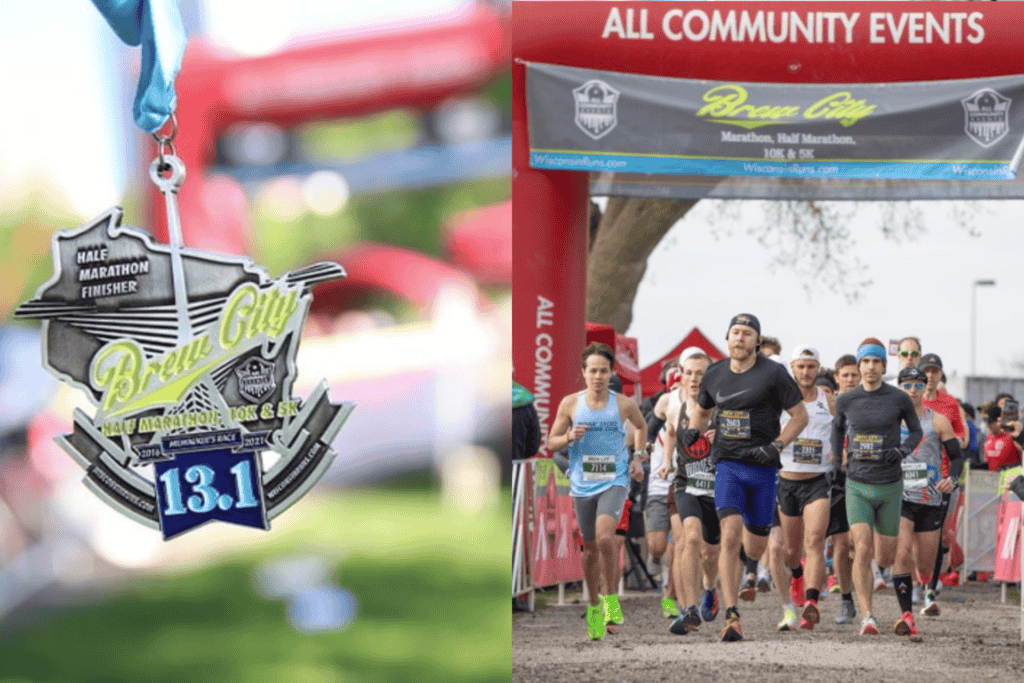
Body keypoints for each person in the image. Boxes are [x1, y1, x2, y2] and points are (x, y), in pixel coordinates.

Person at [683, 314, 808, 641]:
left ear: (756, 340)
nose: (740, 338)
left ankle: (718, 588)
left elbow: (800, 416)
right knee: (727, 536)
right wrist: (692, 432)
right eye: (735, 332)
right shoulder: (715, 373)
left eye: (747, 333)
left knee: (754, 549)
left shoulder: (774, 373)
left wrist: (777, 445)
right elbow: (702, 410)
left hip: (763, 468)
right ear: (727, 338)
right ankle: (729, 614)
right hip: (727, 465)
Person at [547, 343, 646, 640]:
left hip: (614, 481)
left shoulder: (624, 404)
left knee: (606, 538)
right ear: (584, 372)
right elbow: (551, 443)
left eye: (604, 370)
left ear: (611, 372)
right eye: (593, 370)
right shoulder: (570, 404)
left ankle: (611, 600)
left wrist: (638, 457)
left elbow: (641, 427)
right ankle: (593, 605)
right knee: (589, 550)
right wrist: (567, 436)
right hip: (582, 484)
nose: (598, 376)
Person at [831, 338, 922, 636]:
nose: (870, 367)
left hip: (890, 485)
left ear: (884, 365)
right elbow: (837, 429)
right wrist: (837, 463)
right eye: (865, 362)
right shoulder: (846, 400)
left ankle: (882, 589)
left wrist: (902, 451)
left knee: (885, 557)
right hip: (857, 483)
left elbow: (916, 431)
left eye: (876, 361)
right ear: (858, 366)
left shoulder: (898, 398)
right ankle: (867, 616)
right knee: (862, 548)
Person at [892, 366, 963, 631]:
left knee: (925, 562)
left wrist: (952, 480)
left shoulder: (938, 421)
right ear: (899, 387)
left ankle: (924, 582)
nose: (912, 391)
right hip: (899, 496)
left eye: (918, 386)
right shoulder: (890, 421)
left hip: (930, 497)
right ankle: (906, 615)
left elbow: (957, 458)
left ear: (925, 389)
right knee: (902, 552)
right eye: (907, 385)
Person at [773, 345, 835, 632]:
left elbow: (843, 431)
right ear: (793, 368)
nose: (806, 372)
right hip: (787, 481)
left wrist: (839, 450)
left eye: (811, 366)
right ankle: (797, 574)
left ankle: (812, 601)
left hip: (817, 482)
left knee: (815, 541)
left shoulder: (829, 401)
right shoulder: (779, 402)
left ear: (818, 368)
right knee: (790, 550)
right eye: (801, 366)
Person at [659, 351, 721, 635]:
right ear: (680, 376)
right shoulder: (674, 406)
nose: (695, 379)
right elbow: (670, 431)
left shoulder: (722, 409)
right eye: (689, 373)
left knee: (710, 553)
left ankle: (709, 587)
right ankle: (688, 608)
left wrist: (720, 442)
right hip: (685, 484)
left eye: (701, 373)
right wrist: (664, 462)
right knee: (687, 539)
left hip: (717, 486)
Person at [827, 353, 859, 624]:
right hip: (836, 479)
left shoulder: (869, 403)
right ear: (837, 378)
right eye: (845, 375)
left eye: (854, 375)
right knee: (839, 542)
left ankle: (864, 591)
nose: (850, 379)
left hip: (864, 477)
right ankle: (846, 600)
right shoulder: (829, 405)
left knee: (857, 541)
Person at [984, 404, 1023, 471]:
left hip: (1012, 478)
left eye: (991, 422)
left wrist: (1016, 436)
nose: (988, 425)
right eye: (987, 422)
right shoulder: (988, 437)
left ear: (1000, 421)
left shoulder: (1012, 436)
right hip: (993, 478)